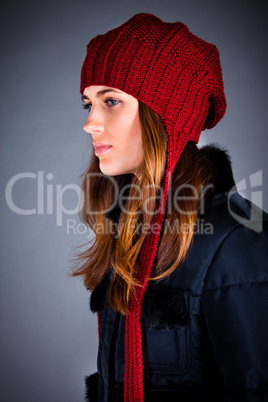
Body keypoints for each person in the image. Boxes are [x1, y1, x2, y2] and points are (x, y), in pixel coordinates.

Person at [73, 13, 268, 402]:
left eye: (111, 101)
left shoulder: (239, 236)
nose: (90, 122)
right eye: (88, 104)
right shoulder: (130, 230)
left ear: (166, 117)